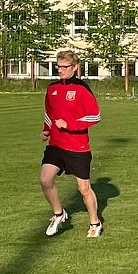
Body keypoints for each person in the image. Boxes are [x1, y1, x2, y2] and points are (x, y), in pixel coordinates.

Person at [39, 50, 103, 238]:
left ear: (75, 67)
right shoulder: (52, 89)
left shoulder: (82, 89)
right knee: (45, 180)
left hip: (77, 147)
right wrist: (46, 129)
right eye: (58, 66)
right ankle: (59, 214)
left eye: (65, 67)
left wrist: (70, 125)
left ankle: (95, 222)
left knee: (83, 188)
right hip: (56, 145)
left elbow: (95, 116)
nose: (60, 70)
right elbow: (49, 113)